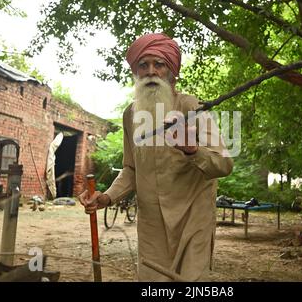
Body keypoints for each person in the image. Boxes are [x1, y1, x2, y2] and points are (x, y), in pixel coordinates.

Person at [78, 33, 233, 281]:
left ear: (171, 71)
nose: (151, 71)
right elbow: (131, 168)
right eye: (143, 65)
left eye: (158, 64)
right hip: (151, 223)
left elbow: (224, 164)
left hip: (193, 220)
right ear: (135, 72)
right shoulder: (131, 114)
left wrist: (192, 149)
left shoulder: (191, 107)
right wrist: (106, 197)